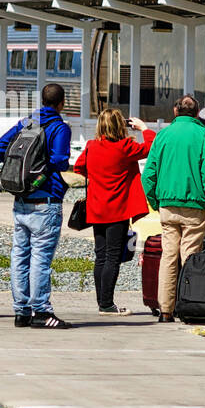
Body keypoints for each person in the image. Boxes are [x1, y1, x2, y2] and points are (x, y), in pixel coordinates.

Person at [0, 83, 73, 329]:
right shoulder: (59, 127)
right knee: (40, 259)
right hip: (46, 202)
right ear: (61, 103)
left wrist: (22, 174)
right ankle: (41, 311)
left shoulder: (27, 123)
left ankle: (21, 311)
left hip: (21, 201)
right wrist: (43, 171)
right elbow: (59, 162)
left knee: (19, 256)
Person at [141, 95, 205, 323]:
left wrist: (156, 201)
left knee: (168, 256)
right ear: (197, 113)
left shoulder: (163, 136)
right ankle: (189, 303)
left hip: (168, 204)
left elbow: (148, 175)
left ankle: (165, 310)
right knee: (189, 256)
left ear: (175, 110)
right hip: (194, 207)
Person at [74, 108, 155, 315]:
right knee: (112, 256)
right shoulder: (125, 146)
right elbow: (151, 147)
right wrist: (143, 127)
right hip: (117, 209)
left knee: (100, 256)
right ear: (121, 126)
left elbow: (79, 167)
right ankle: (107, 304)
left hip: (96, 208)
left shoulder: (92, 146)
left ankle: (102, 302)